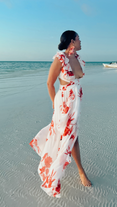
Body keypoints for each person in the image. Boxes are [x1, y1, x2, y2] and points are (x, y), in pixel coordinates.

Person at [29, 30, 91, 198]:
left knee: (67, 135)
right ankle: (80, 171)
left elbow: (76, 80)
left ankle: (73, 167)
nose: (80, 41)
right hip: (64, 104)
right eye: (79, 39)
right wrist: (55, 105)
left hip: (75, 103)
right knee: (72, 136)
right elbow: (50, 83)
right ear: (72, 41)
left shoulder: (76, 58)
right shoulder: (60, 59)